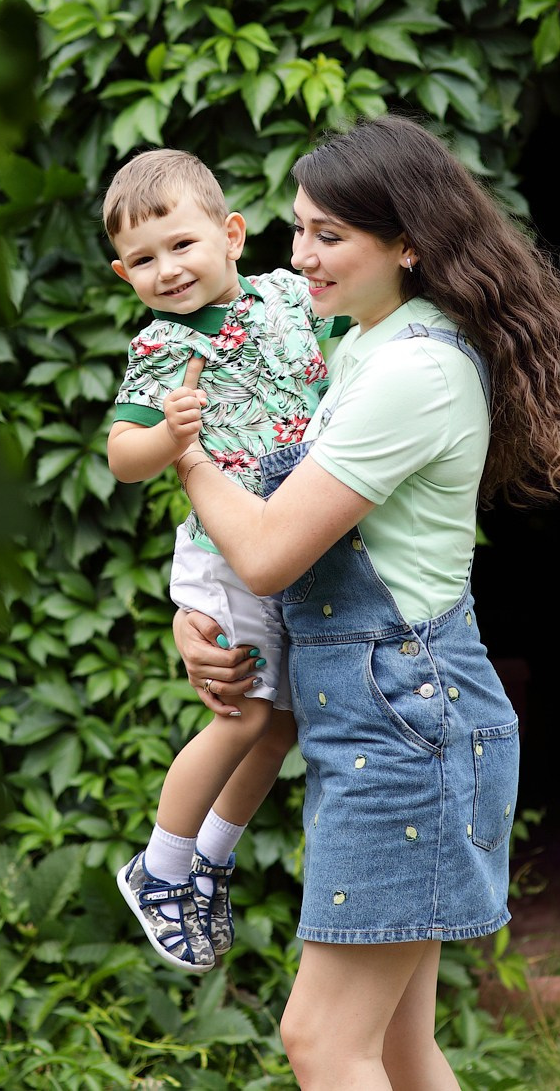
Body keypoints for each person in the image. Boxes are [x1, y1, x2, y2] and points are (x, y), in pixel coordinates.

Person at [163, 116, 560, 1089]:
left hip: (401, 727)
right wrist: (188, 613)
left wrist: (187, 455)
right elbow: (251, 554)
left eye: (330, 234)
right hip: (388, 720)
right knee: (399, 1050)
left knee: (323, 1041)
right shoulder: (369, 348)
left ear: (406, 241)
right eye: (296, 230)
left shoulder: (412, 371)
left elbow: (271, 552)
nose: (301, 256)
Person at [102, 148, 346, 974]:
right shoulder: (162, 347)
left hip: (291, 540)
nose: (165, 270)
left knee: (279, 726)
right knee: (240, 714)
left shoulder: (288, 293)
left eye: (180, 245)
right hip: (224, 553)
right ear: (122, 271)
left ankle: (209, 856)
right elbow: (120, 455)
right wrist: (168, 437)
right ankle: (160, 866)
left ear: (232, 233)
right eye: (142, 259)